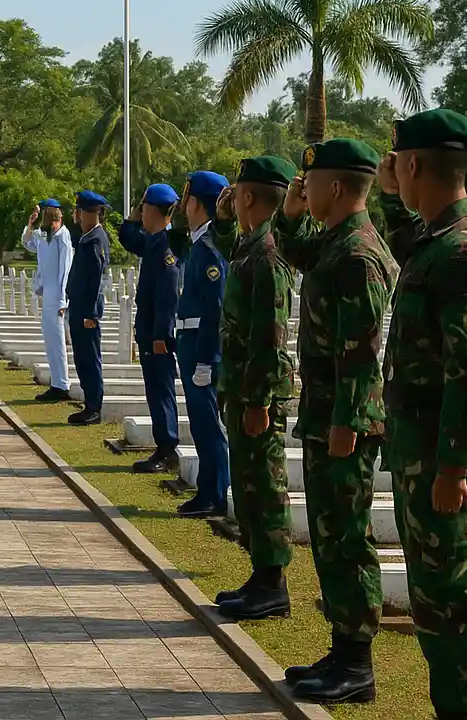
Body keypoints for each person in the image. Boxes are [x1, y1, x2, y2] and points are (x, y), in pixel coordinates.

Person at [377, 109, 467, 718]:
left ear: (414, 163)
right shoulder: (435, 241)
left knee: (447, 602)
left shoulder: (461, 253)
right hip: (419, 452)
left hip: (437, 462)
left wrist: (453, 467)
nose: (389, 172)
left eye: (396, 162)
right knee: (431, 601)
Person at [274, 138, 396, 705]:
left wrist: (348, 420)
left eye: (313, 180)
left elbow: (362, 350)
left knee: (346, 538)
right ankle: (342, 647)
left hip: (344, 422)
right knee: (328, 535)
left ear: (339, 187)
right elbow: (294, 249)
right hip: (328, 417)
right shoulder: (335, 244)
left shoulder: (358, 254)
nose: (306, 187)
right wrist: (291, 212)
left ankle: (358, 663)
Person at [214, 156, 297, 622]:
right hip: (242, 387)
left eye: (237, 191)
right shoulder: (251, 244)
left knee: (264, 487)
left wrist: (260, 398)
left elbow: (272, 334)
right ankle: (260, 576)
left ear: (246, 196)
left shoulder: (268, 253)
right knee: (247, 485)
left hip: (256, 392)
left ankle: (273, 583)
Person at [173, 171, 231, 518]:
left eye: (189, 199)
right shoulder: (198, 243)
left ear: (199, 204)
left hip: (201, 342)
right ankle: (207, 490)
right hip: (190, 338)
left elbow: (216, 305)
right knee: (198, 420)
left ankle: (216, 492)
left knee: (208, 421)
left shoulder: (210, 247)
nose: (184, 205)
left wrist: (208, 358)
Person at [116, 184, 183, 471]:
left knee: (161, 389)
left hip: (157, 334)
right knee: (154, 390)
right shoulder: (154, 240)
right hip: (148, 330)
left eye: (143, 206)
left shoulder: (166, 246)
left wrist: (161, 335)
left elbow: (168, 293)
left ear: (152, 209)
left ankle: (167, 448)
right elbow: (128, 238)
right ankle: (162, 446)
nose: (140, 211)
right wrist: (134, 215)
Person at [64, 190, 112, 426]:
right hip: (79, 306)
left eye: (80, 212)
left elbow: (96, 280)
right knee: (82, 358)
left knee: (89, 358)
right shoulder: (86, 238)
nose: (77, 217)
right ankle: (89, 404)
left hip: (86, 310)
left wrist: (92, 313)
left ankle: (94, 407)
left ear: (87, 213)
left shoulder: (95, 240)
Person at [20, 198, 73, 401]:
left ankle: (61, 384)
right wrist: (30, 223)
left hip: (57, 293)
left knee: (57, 340)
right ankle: (56, 382)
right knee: (50, 339)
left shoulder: (63, 236)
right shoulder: (45, 236)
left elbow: (65, 269)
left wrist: (62, 299)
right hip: (47, 291)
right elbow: (28, 243)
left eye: (46, 217)